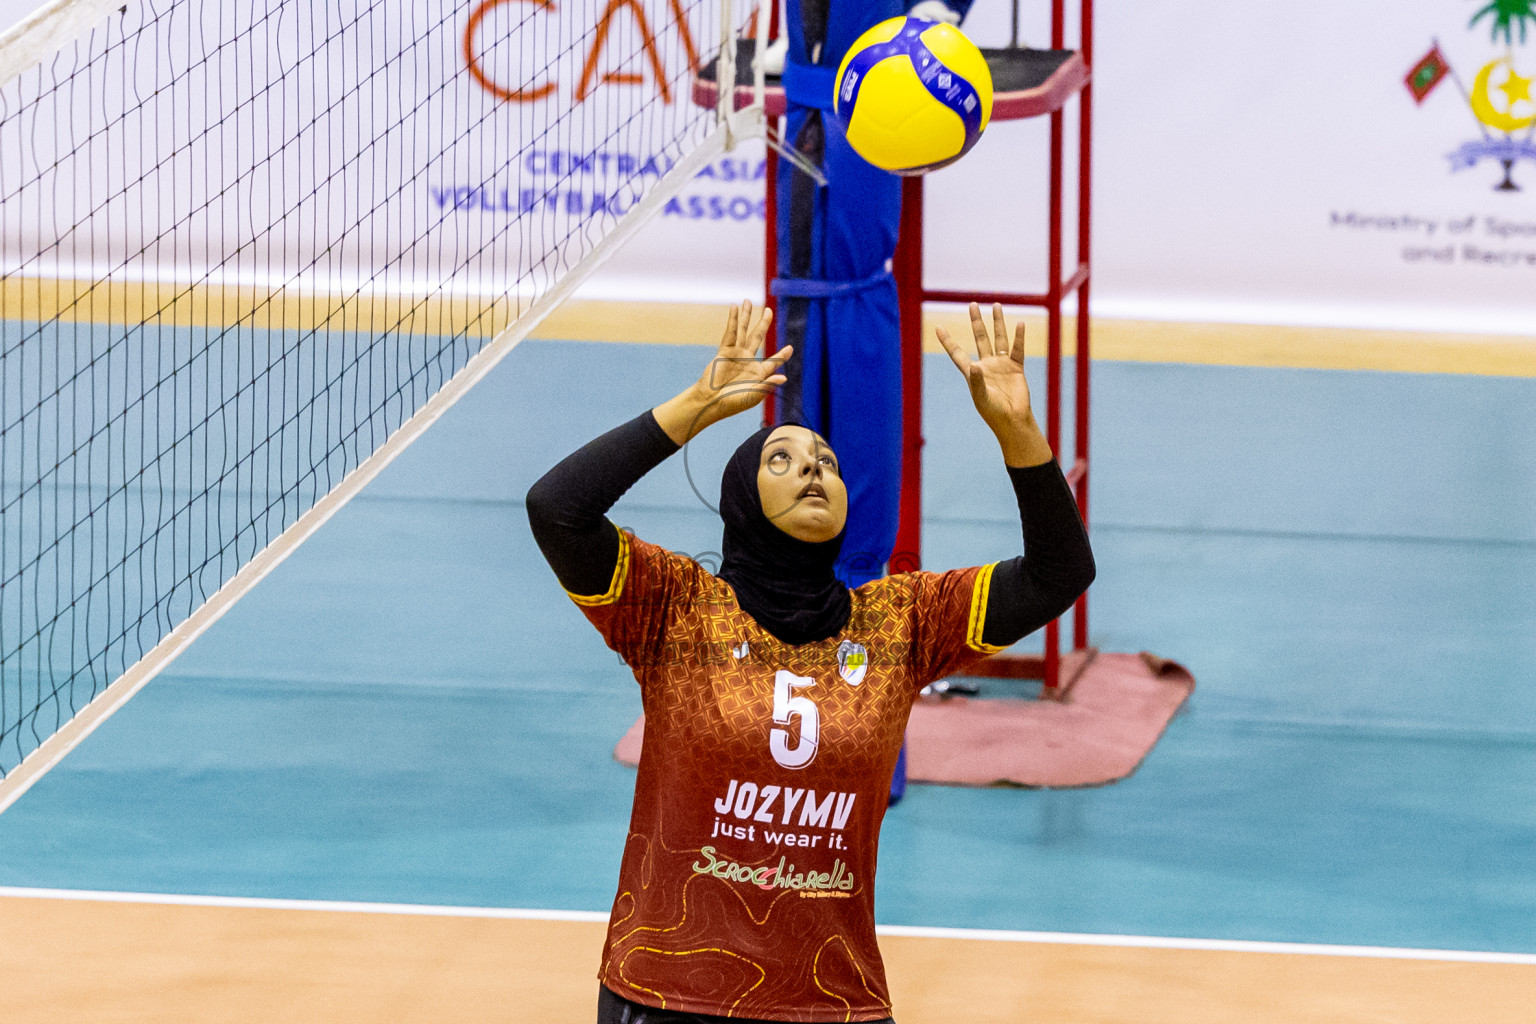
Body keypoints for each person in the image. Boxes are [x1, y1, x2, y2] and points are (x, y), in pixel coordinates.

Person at [525, 300, 1094, 1023]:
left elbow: (1059, 573)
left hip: (832, 1002)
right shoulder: (672, 609)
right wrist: (693, 410)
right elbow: (557, 510)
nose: (813, 471)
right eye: (782, 459)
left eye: (827, 462)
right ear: (741, 499)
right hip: (670, 992)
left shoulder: (903, 623)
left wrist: (1018, 432)